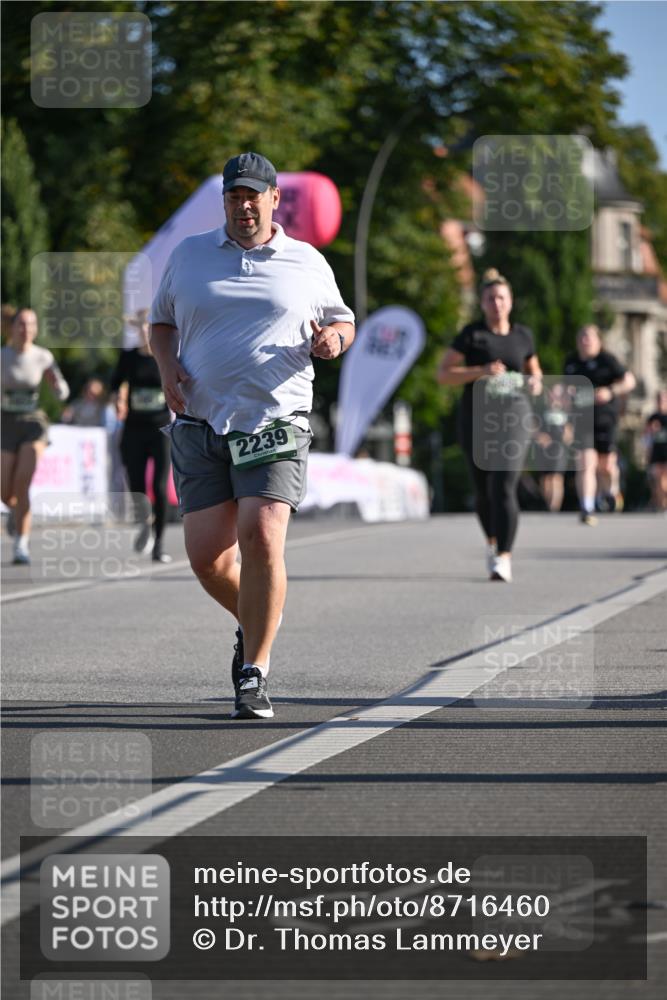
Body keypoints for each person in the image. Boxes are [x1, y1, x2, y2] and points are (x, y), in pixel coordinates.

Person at [148, 152, 354, 719]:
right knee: (207, 559)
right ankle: (256, 616)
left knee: (261, 536)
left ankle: (254, 672)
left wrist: (333, 341)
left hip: (276, 421)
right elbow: (160, 322)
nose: (243, 205)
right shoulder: (188, 256)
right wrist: (167, 368)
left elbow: (343, 319)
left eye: (253, 195)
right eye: (233, 196)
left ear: (273, 200)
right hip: (200, 423)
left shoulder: (306, 261)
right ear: (224, 201)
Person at [438, 268, 543, 582]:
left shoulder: (523, 336)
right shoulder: (472, 335)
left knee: (504, 484)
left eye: (501, 298)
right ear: (482, 303)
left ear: (510, 302)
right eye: (490, 298)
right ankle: (493, 542)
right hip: (477, 419)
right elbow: (444, 374)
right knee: (483, 490)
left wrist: (535, 383)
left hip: (514, 417)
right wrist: (480, 371)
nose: (496, 303)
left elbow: (534, 371)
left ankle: (504, 556)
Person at [1, 307, 69, 564]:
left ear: (36, 329)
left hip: (33, 424)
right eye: (20, 324)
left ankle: (21, 545)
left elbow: (61, 387)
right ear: (12, 327)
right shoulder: (3, 356)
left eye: (30, 324)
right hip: (5, 423)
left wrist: (57, 386)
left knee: (23, 483)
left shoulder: (43, 356)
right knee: (5, 491)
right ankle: (17, 513)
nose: (25, 329)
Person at [110, 310, 173, 563]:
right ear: (137, 329)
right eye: (142, 326)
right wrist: (119, 400)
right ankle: (144, 522)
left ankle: (159, 543)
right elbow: (116, 384)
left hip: (160, 429)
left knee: (158, 486)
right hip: (134, 428)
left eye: (151, 325)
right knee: (136, 487)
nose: (146, 330)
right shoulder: (129, 357)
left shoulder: (166, 355)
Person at [564, 324, 635, 525]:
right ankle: (587, 507)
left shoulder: (607, 361)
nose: (585, 341)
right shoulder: (571, 362)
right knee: (585, 463)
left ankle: (611, 490)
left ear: (598, 341)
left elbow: (630, 381)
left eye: (589, 337)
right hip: (582, 419)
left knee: (606, 466)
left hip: (605, 419)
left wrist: (611, 391)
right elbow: (565, 390)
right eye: (582, 337)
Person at [533, 382, 574, 512]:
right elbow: (533, 426)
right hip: (544, 448)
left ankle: (554, 507)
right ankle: (546, 505)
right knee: (545, 478)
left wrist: (566, 435)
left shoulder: (567, 412)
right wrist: (539, 436)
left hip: (559, 449)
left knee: (556, 477)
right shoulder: (541, 409)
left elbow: (570, 434)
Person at [644, 388, 667, 512]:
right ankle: (662, 505)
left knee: (665, 480)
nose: (661, 402)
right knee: (658, 480)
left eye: (663, 399)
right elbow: (646, 437)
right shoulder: (653, 417)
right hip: (656, 452)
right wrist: (651, 431)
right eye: (659, 399)